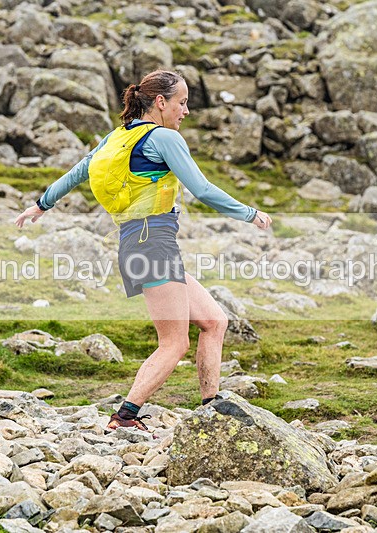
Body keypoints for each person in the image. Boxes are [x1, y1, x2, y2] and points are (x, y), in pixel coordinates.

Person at [14, 69, 273, 432]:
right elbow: (201, 189)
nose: (186, 111)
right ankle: (124, 417)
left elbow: (77, 172)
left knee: (214, 321)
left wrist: (40, 205)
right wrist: (251, 213)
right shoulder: (164, 138)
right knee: (174, 342)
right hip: (152, 243)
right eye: (182, 103)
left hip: (140, 241)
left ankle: (210, 409)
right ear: (161, 102)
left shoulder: (117, 137)